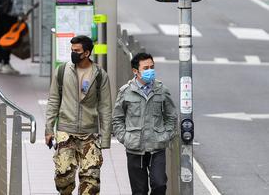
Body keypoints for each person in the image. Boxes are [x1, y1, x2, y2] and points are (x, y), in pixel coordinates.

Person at [45, 35, 112, 195]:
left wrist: (106, 138)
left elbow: (105, 107)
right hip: (65, 132)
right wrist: (48, 129)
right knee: (63, 177)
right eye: (72, 50)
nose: (73, 53)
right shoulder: (62, 71)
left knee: (91, 181)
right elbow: (53, 100)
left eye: (77, 51)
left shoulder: (100, 75)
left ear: (87, 53)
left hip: (89, 133)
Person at [112, 52, 177, 195]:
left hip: (157, 147)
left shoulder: (162, 90)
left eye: (152, 67)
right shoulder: (125, 92)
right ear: (135, 71)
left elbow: (171, 116)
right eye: (146, 68)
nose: (150, 71)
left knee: (159, 185)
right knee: (139, 191)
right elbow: (117, 118)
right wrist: (125, 138)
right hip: (135, 148)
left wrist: (167, 135)